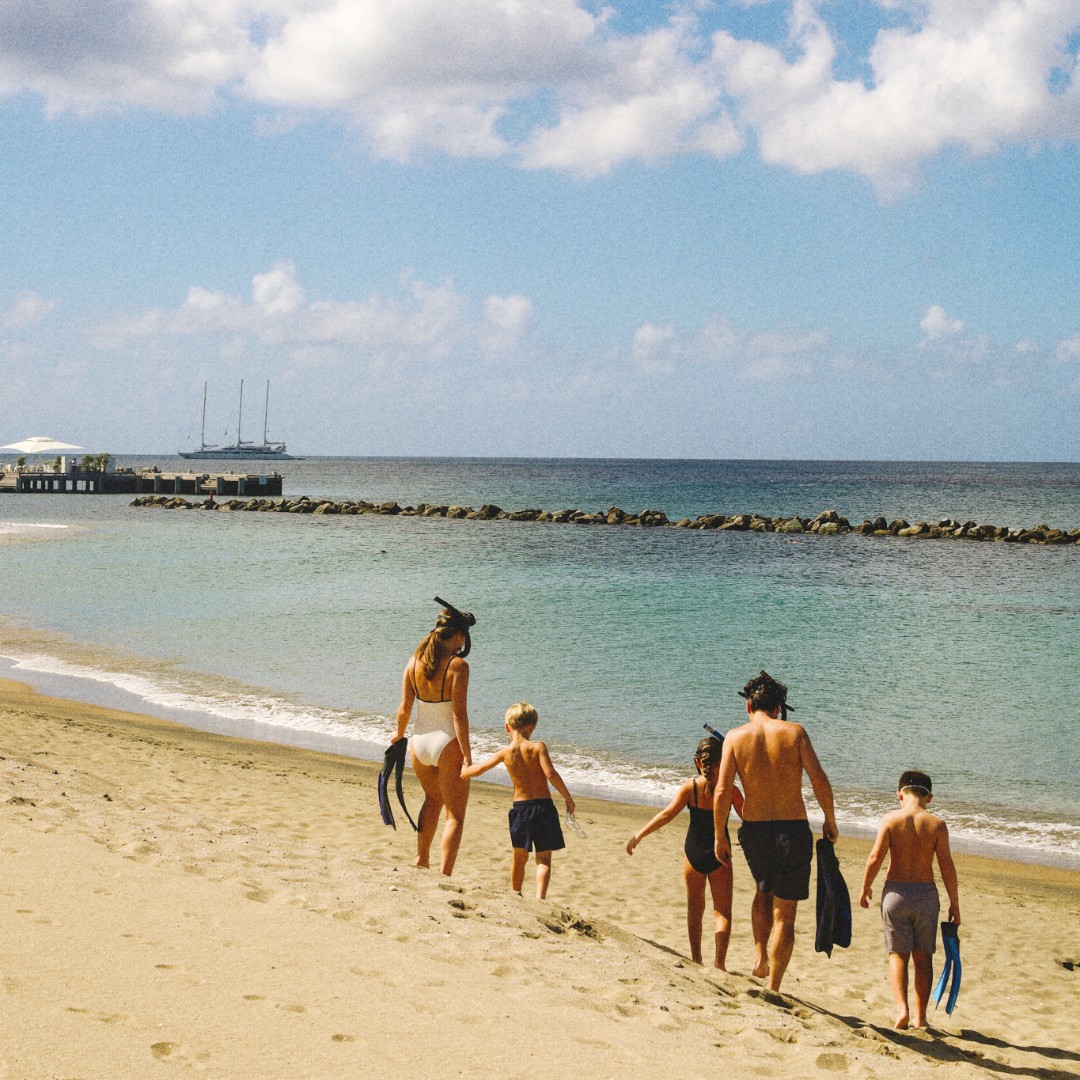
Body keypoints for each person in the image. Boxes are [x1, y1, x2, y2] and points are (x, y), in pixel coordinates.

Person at [712, 671, 838, 992]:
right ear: (779, 706)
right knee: (786, 913)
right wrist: (830, 819)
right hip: (792, 831)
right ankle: (774, 986)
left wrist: (719, 835)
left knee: (762, 891)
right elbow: (820, 780)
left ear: (748, 707)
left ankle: (759, 955)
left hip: (754, 832)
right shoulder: (794, 733)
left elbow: (723, 791)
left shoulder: (734, 737)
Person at [626, 735, 745, 969]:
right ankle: (719, 964)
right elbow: (750, 819)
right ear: (724, 760)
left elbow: (666, 815)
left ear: (697, 761)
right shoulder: (730, 789)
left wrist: (639, 835)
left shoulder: (691, 788)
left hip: (694, 853)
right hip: (721, 854)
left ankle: (696, 959)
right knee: (722, 912)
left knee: (695, 909)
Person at [858, 770, 961, 1030]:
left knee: (898, 955)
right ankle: (920, 1017)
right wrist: (954, 903)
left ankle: (902, 1010)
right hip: (926, 895)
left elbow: (875, 858)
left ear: (900, 794)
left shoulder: (891, 819)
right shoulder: (936, 824)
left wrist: (865, 887)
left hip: (895, 895)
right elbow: (947, 866)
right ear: (929, 798)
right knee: (923, 957)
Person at [393, 600, 476, 876]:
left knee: (432, 799)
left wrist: (398, 735)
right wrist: (467, 754)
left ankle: (421, 858)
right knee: (455, 815)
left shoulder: (413, 662)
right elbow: (458, 717)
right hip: (446, 742)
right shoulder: (458, 666)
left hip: (419, 744)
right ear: (457, 635)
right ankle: (445, 875)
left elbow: (404, 709)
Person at [462, 702, 574, 899]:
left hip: (521, 810)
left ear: (507, 727)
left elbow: (479, 769)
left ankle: (516, 894)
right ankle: (540, 898)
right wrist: (567, 797)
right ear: (532, 726)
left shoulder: (505, 753)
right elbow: (551, 774)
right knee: (544, 859)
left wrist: (463, 771)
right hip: (543, 808)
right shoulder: (538, 747)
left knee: (519, 857)